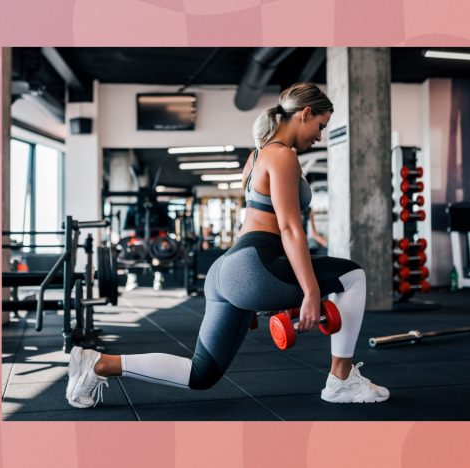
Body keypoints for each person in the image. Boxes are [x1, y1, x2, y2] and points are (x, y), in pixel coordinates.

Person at [66, 83, 389, 408]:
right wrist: (311, 292)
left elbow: (252, 221)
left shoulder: (256, 156)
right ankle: (341, 380)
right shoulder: (283, 155)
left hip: (230, 269)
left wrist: (247, 288)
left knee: (201, 373)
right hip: (256, 266)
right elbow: (290, 229)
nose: (319, 136)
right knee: (353, 276)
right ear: (305, 114)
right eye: (320, 126)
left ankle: (98, 363)